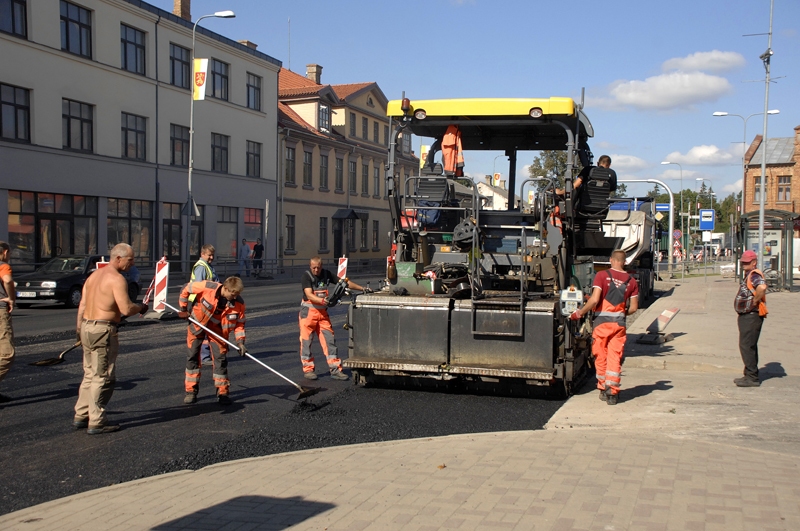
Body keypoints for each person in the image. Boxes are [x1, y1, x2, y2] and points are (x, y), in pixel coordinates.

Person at [74, 243, 148, 434]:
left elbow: (82, 305)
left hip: (87, 326)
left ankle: (81, 414)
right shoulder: (117, 279)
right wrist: (140, 307)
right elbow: (125, 309)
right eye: (130, 260)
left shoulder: (93, 276)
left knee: (89, 373)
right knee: (103, 375)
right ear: (118, 258)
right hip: (103, 330)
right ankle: (97, 420)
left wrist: (79, 329)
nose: (132, 264)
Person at [570, 249, 639, 405]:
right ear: (625, 262)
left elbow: (594, 300)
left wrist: (579, 313)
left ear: (611, 260)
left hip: (601, 324)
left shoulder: (602, 276)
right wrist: (621, 313)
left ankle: (602, 388)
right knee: (615, 356)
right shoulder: (631, 282)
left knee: (600, 355)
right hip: (619, 325)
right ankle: (612, 394)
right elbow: (634, 308)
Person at [178, 276, 246, 405]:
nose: (235, 297)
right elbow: (186, 288)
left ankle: (222, 393)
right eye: (233, 294)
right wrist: (183, 308)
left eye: (237, 294)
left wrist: (240, 342)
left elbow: (239, 324)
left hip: (217, 331)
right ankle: (191, 391)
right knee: (192, 356)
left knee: (220, 360)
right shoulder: (207, 287)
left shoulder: (239, 303)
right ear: (225, 289)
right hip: (197, 324)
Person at [299, 257, 368, 381]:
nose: (316, 270)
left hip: (322, 313)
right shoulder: (306, 277)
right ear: (310, 266)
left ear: (321, 266)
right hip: (308, 314)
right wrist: (321, 300)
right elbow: (309, 294)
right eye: (314, 268)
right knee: (306, 342)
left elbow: (344, 283)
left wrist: (362, 288)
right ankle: (308, 370)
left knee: (329, 341)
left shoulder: (326, 274)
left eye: (318, 268)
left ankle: (335, 370)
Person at [733, 250, 767, 387]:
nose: (744, 264)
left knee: (747, 345)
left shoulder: (754, 275)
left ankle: (752, 377)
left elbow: (762, 287)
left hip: (751, 315)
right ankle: (749, 374)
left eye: (747, 262)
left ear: (754, 262)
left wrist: (755, 301)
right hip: (748, 315)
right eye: (743, 262)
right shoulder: (749, 275)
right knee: (748, 345)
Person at [189, 244, 219, 365]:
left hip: (207, 302)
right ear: (202, 254)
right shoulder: (201, 267)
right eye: (209, 255)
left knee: (206, 329)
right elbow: (199, 286)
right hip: (201, 303)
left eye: (212, 255)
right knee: (203, 329)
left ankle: (205, 355)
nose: (211, 257)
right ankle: (204, 356)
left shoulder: (207, 266)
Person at [0, 242, 16, 403]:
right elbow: (8, 280)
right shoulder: (3, 265)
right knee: (7, 354)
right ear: (5, 252)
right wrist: (10, 298)